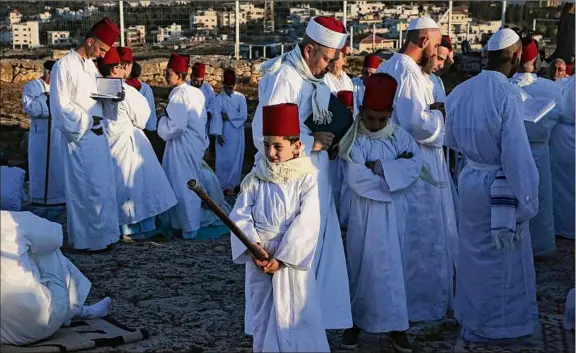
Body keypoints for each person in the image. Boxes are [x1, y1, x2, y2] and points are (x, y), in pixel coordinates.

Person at [252, 15, 353, 331]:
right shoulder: (285, 78)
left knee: (315, 251)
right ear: (309, 50)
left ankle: (311, 320)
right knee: (294, 250)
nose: (328, 66)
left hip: (314, 176)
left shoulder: (312, 76)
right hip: (292, 183)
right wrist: (313, 143)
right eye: (325, 58)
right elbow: (264, 133)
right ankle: (290, 325)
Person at [445, 28, 539, 343]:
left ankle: (472, 318)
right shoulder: (508, 94)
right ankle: (501, 326)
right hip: (500, 185)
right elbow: (515, 153)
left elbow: (452, 140)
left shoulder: (460, 90)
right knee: (504, 258)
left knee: (472, 253)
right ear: (515, 56)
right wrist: (526, 200)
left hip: (470, 180)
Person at [377, 17, 458, 322]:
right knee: (420, 238)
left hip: (402, 164)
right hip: (416, 167)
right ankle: (419, 305)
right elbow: (415, 123)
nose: (439, 51)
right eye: (436, 45)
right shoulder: (406, 73)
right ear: (424, 41)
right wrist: (442, 119)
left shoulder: (391, 68)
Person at [230, 103, 328, 353]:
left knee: (293, 312)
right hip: (260, 254)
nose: (270, 152)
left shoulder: (307, 178)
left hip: (289, 259)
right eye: (266, 145)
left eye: (278, 146)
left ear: (297, 147)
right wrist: (252, 245)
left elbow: (308, 221)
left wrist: (282, 259)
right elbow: (241, 213)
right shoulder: (257, 175)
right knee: (262, 314)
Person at [338, 74, 422, 352]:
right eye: (370, 118)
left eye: (381, 119)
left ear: (391, 115)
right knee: (362, 266)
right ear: (362, 112)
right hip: (364, 214)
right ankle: (356, 323)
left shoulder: (401, 137)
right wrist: (391, 177)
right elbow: (356, 178)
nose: (375, 125)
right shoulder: (354, 140)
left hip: (395, 214)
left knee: (394, 267)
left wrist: (380, 168)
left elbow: (413, 167)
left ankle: (397, 325)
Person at [49, 17, 120, 251]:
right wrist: (88, 120)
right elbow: (61, 107)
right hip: (79, 138)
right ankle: (88, 241)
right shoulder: (64, 66)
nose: (102, 55)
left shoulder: (90, 66)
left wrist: (112, 99)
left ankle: (106, 237)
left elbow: (96, 98)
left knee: (103, 188)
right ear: (90, 41)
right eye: (100, 49)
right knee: (85, 190)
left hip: (99, 137)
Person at [97, 47, 177, 240]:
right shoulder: (127, 91)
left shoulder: (99, 86)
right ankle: (139, 227)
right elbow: (144, 121)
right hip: (128, 142)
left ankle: (118, 225)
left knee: (116, 184)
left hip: (108, 141)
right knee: (138, 185)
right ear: (117, 68)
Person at [1, 211, 111, 346]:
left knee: (21, 252)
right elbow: (56, 237)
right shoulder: (12, 220)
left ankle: (74, 310)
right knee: (48, 252)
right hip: (37, 325)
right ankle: (76, 309)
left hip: (3, 336)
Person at [509, 39, 562, 256]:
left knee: (516, 197)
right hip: (540, 149)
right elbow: (559, 115)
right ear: (536, 59)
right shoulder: (550, 87)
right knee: (540, 197)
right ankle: (540, 246)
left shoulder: (505, 85)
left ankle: (516, 246)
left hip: (514, 150)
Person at [158, 53, 207, 240]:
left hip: (182, 146)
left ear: (179, 75)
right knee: (189, 183)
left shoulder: (178, 95)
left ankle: (187, 227)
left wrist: (162, 118)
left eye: (168, 73)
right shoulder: (196, 92)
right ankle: (187, 225)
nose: (165, 76)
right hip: (193, 143)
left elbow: (176, 126)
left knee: (182, 185)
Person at [22, 60, 65, 206]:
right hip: (41, 135)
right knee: (41, 166)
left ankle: (60, 197)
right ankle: (40, 198)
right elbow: (31, 108)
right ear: (47, 72)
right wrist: (45, 98)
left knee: (58, 165)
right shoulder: (32, 86)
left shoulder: (61, 88)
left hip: (58, 135)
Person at [210, 69, 248, 196]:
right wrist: (218, 134)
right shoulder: (219, 98)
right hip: (224, 132)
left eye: (230, 88)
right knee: (223, 160)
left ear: (235, 85)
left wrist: (229, 116)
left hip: (237, 132)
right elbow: (216, 116)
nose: (228, 90)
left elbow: (243, 115)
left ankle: (233, 185)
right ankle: (221, 185)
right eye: (226, 87)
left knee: (235, 159)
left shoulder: (241, 98)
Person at [550, 74, 575, 240]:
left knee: (563, 186)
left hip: (561, 137)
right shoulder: (563, 83)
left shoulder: (561, 85)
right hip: (563, 135)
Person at [126, 62, 164, 162]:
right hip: (148, 127)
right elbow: (150, 107)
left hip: (133, 129)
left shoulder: (125, 87)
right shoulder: (146, 88)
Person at [423, 35, 453, 103]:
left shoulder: (437, 79)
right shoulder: (413, 78)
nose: (441, 65)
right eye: (439, 58)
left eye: (444, 61)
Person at [190, 63, 216, 133]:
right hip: (188, 126)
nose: (199, 84)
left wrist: (209, 112)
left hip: (203, 126)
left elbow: (213, 102)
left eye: (201, 81)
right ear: (191, 77)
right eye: (196, 81)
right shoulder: (185, 87)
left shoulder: (208, 88)